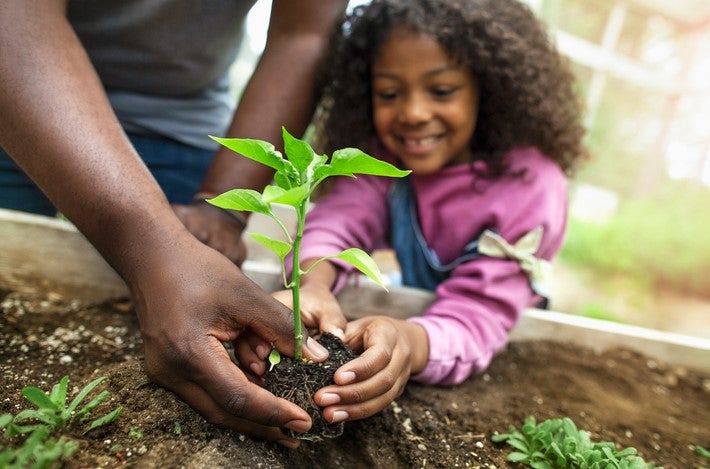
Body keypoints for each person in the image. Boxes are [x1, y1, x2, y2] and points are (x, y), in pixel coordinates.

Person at [0, 0, 348, 447]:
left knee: (200, 292)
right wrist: (152, 250)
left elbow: (304, 34)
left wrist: (221, 209)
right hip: (22, 87)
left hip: (180, 124)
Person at [238, 0, 588, 425]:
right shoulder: (385, 162)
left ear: (490, 88)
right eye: (389, 93)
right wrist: (312, 286)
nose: (414, 114)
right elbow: (338, 223)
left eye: (441, 90)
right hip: (425, 302)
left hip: (495, 322)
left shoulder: (530, 186)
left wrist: (409, 340)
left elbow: (479, 315)